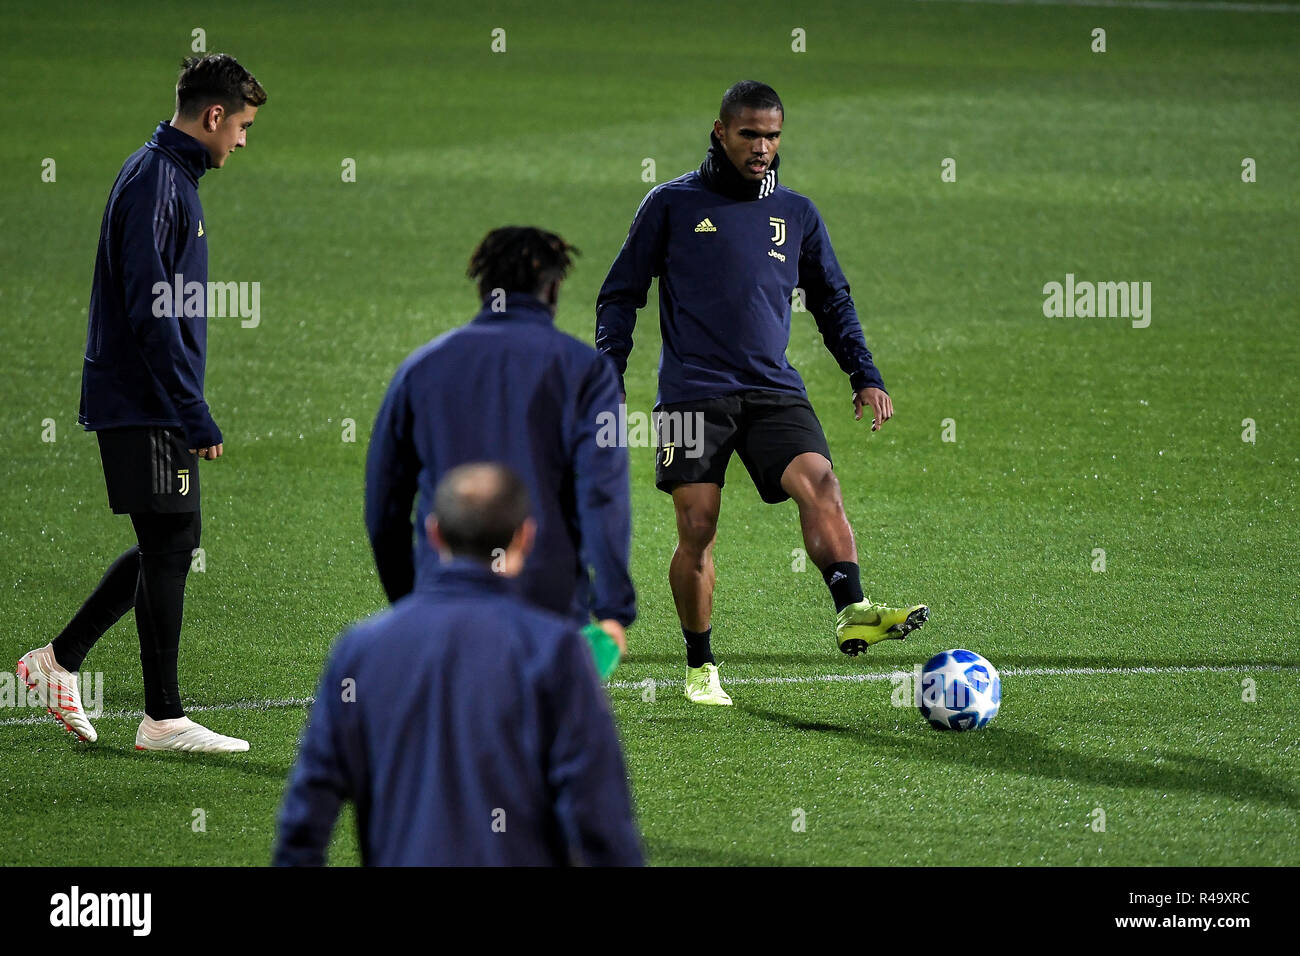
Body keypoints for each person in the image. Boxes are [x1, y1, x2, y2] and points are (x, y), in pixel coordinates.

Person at [596, 80, 928, 706]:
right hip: (692, 395)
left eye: (772, 136)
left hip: (772, 388)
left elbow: (832, 299)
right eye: (750, 134)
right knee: (697, 526)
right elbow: (621, 292)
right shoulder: (670, 205)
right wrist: (607, 370)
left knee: (820, 481)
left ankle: (852, 605)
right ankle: (700, 667)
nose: (762, 147)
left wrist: (864, 374)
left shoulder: (796, 213)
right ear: (720, 131)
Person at [16, 54, 267, 750]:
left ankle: (68, 668)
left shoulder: (165, 174)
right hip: (145, 398)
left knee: (169, 543)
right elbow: (152, 310)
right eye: (241, 125)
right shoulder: (159, 182)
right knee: (170, 543)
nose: (242, 141)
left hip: (146, 395)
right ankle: (153, 712)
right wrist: (191, 408)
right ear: (213, 116)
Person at [276, 463, 644, 866]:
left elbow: (308, 809)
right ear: (525, 536)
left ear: (433, 533)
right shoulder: (554, 650)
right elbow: (599, 813)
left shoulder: (361, 649)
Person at [366, 226, 635, 654]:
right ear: (553, 288)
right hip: (548, 600)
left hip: (444, 596)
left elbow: (384, 508)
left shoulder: (422, 368)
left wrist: (410, 599)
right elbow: (603, 494)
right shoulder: (585, 371)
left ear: (484, 286)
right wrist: (613, 608)